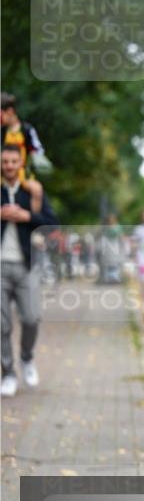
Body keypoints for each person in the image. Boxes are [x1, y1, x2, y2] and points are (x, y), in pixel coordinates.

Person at [1, 144, 57, 397]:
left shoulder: (31, 191)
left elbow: (51, 223)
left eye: (13, 161)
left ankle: (26, 357)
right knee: (1, 326)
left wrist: (26, 216)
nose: (9, 166)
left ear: (21, 163)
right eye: (5, 162)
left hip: (27, 266)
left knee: (31, 318)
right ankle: (8, 373)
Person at [1, 92, 48, 182]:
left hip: (23, 176)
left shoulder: (26, 130)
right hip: (3, 176)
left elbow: (38, 150)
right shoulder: (2, 131)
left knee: (36, 190)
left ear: (10, 111)